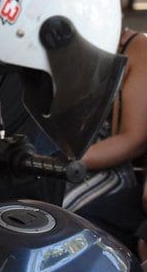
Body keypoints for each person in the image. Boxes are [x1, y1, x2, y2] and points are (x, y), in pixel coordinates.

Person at [62, 27, 147, 251]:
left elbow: (134, 139)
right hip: (42, 157)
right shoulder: (47, 37)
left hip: (100, 167)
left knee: (59, 221)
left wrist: (62, 160)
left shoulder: (135, 47)